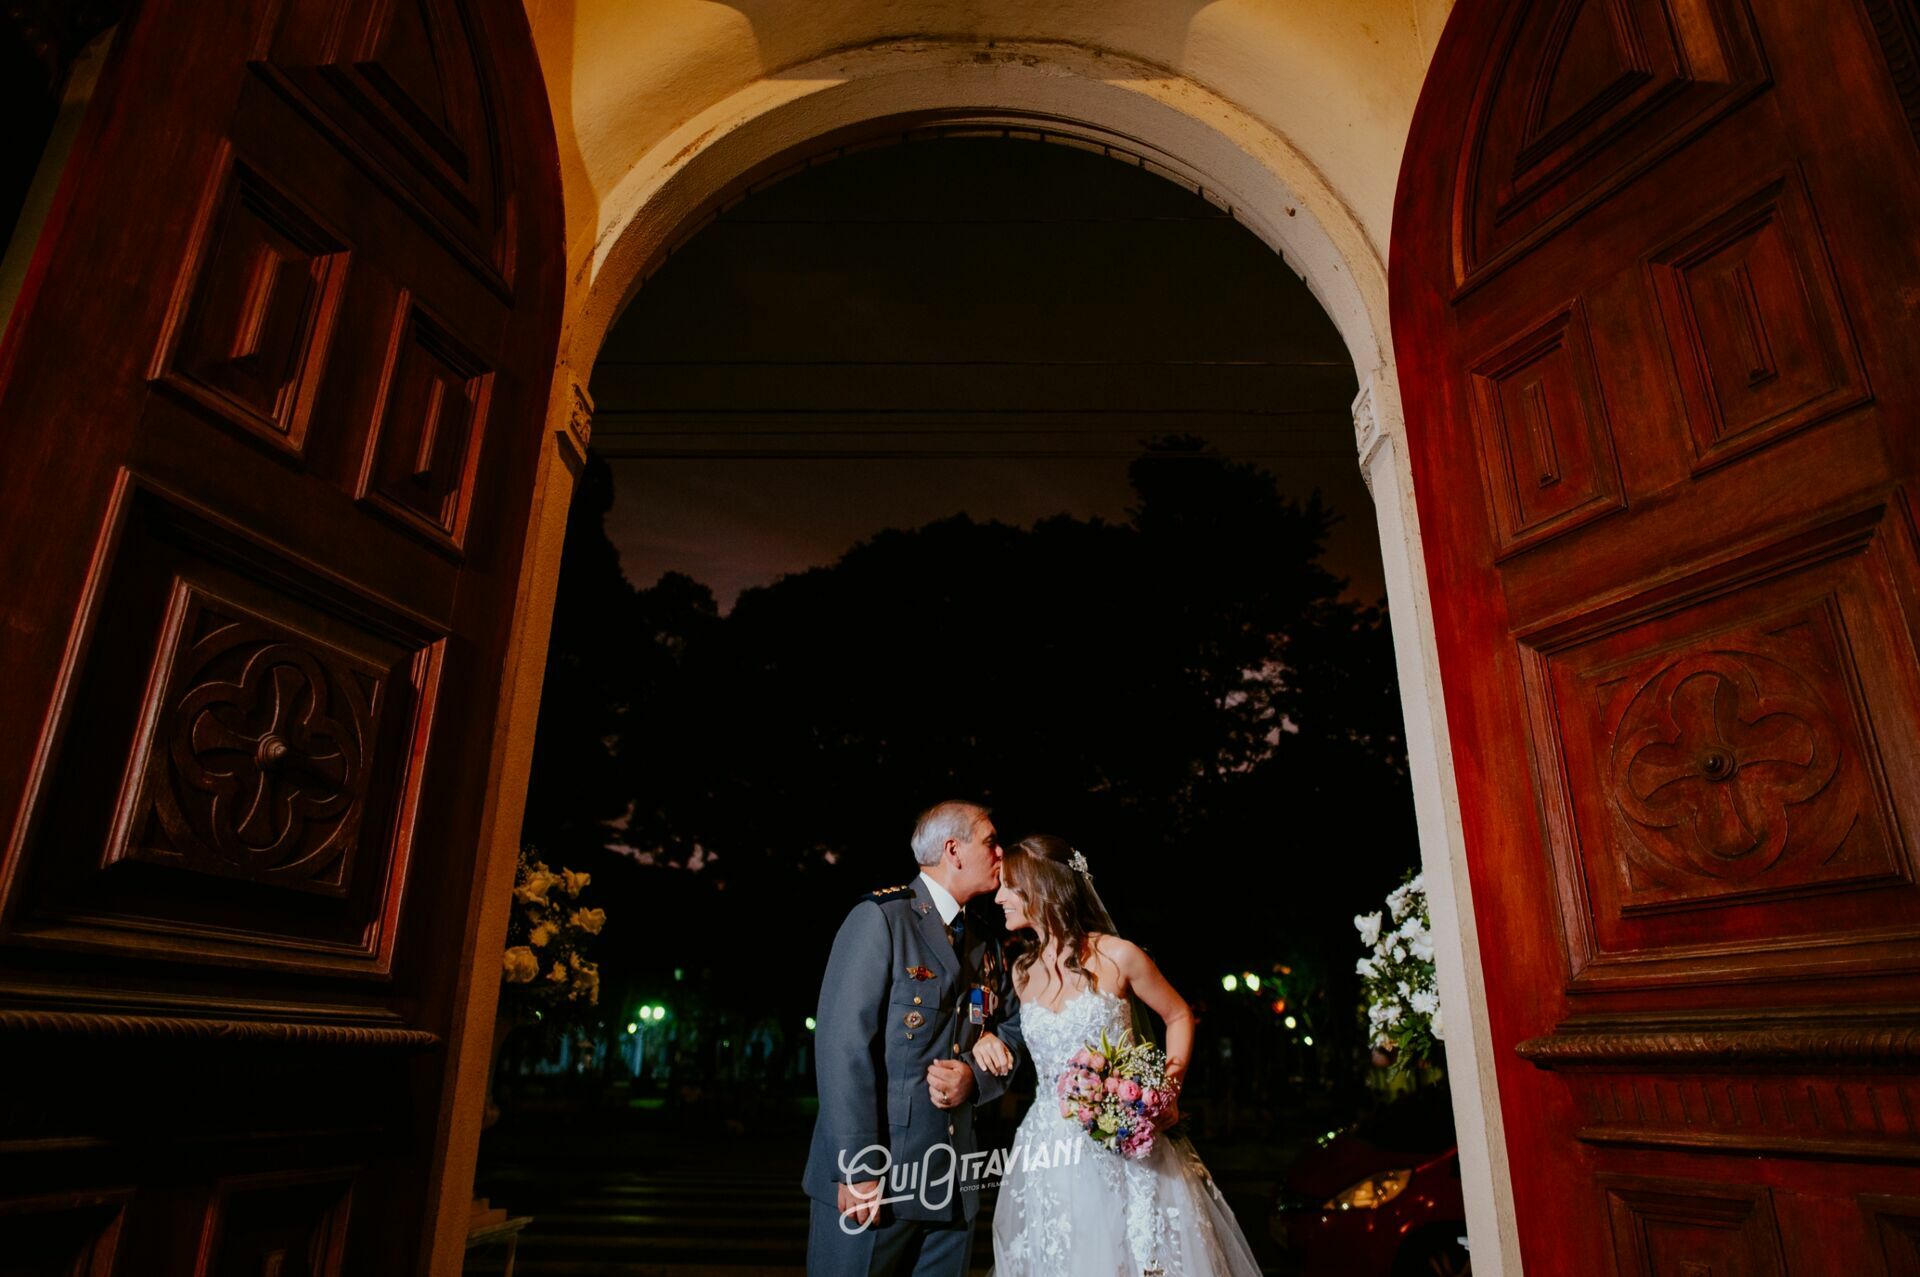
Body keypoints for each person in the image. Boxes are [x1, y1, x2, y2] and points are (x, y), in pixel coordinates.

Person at [971, 834, 1264, 1276]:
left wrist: (1168, 1090)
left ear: (1042, 887)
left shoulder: (1118, 956)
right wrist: (983, 1038)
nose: (999, 897)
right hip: (1046, 1147)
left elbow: (1178, 1015)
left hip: (1122, 1144)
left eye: (1010, 886)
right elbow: (990, 1027)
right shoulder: (1021, 972)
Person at [803, 800, 1027, 1276]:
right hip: (878, 1181)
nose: (1000, 853)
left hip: (951, 1186)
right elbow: (843, 1049)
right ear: (953, 850)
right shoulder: (882, 919)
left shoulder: (985, 940)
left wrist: (975, 1077)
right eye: (990, 842)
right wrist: (857, 1168)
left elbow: (1014, 1028)